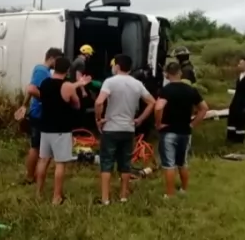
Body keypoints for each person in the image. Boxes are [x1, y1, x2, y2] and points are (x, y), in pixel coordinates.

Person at [94, 54, 156, 205]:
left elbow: (99, 102)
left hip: (111, 128)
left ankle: (105, 199)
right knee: (125, 164)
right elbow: (152, 102)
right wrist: (140, 119)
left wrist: (98, 119)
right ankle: (123, 197)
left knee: (107, 163)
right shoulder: (137, 84)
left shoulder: (110, 82)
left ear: (117, 66)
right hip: (128, 129)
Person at [34, 57, 92, 205]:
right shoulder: (67, 85)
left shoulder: (45, 82)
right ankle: (56, 197)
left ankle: (38, 193)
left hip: (45, 128)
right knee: (60, 163)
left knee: (43, 160)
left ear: (54, 67)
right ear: (67, 70)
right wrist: (79, 86)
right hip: (61, 129)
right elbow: (76, 104)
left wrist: (79, 83)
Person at [155, 62, 208, 198]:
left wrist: (159, 123)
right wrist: (193, 124)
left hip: (169, 131)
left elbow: (159, 107)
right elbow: (204, 108)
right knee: (182, 162)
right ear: (180, 73)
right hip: (185, 131)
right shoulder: (191, 90)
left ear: (166, 74)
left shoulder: (166, 90)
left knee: (169, 164)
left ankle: (170, 193)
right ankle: (184, 189)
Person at [14, 47, 63, 185]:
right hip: (40, 114)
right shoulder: (42, 71)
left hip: (38, 112)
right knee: (36, 147)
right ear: (52, 58)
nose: (58, 64)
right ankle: (30, 176)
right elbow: (32, 89)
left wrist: (24, 105)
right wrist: (49, 98)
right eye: (57, 60)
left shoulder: (41, 69)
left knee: (38, 146)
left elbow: (31, 88)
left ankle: (33, 175)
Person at [226, 57, 245, 145]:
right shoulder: (241, 75)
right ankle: (230, 139)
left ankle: (239, 142)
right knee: (232, 120)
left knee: (240, 123)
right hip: (235, 102)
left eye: (241, 63)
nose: (238, 65)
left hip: (243, 104)